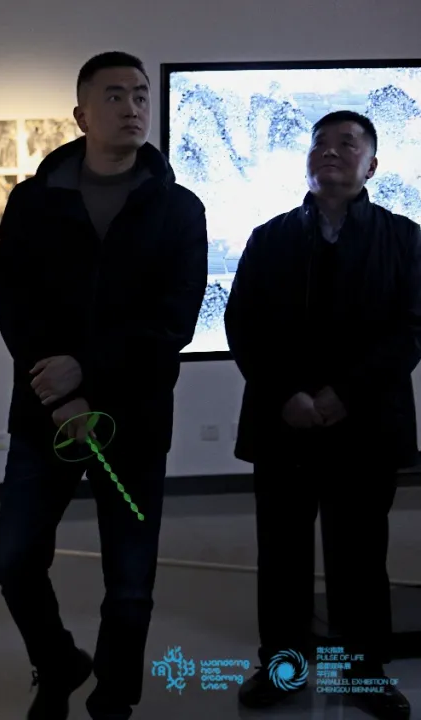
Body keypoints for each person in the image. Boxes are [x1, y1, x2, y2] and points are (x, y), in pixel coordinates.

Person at [0, 51, 208, 720]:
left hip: (136, 421)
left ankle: (115, 701)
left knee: (131, 586)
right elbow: (16, 306)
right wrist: (62, 393)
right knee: (14, 556)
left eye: (141, 94)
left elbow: (174, 320)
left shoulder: (178, 208)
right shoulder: (33, 202)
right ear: (81, 114)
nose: (133, 106)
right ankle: (58, 661)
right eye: (114, 95)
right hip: (45, 418)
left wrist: (87, 371)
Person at [226, 110, 417, 720]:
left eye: (347, 143)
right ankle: (282, 669)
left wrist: (344, 394)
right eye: (320, 144)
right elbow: (242, 325)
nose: (330, 152)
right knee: (282, 557)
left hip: (366, 426)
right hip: (282, 423)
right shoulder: (270, 237)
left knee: (359, 555)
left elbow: (412, 330)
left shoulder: (404, 238)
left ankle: (364, 673)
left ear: (372, 165)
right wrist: (288, 394)